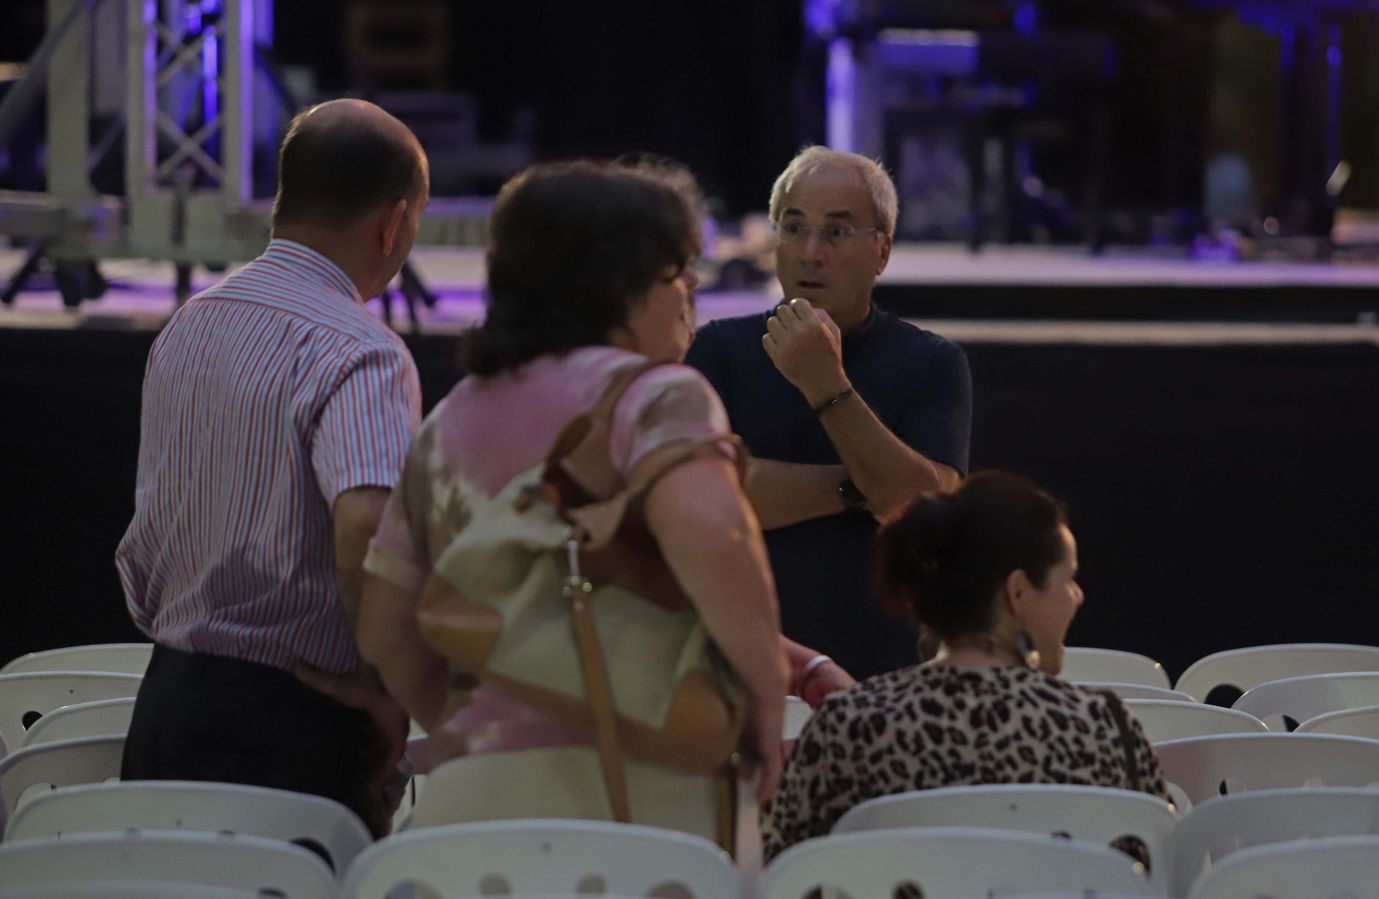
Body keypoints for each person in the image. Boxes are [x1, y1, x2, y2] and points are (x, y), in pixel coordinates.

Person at [359, 159, 828, 840]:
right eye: (677, 268)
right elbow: (709, 533)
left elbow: (384, 628)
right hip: (639, 815)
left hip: (470, 823)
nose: (692, 286)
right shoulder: (661, 396)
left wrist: (489, 727)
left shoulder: (451, 419)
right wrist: (762, 694)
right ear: (618, 283)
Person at [115, 99, 429, 836]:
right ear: (392, 223)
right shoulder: (362, 348)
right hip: (293, 728)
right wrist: (385, 684)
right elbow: (367, 521)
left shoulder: (189, 321)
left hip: (162, 709)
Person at [763, 472, 1169, 859]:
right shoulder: (1106, 729)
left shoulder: (847, 725)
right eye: (1069, 579)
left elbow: (786, 874)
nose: (1076, 597)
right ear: (1018, 592)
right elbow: (1159, 870)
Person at [685, 147, 973, 679]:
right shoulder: (717, 349)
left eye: (836, 233)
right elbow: (711, 498)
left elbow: (929, 514)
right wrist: (859, 487)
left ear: (881, 252)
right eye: (792, 228)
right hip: (738, 665)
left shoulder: (932, 361)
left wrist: (827, 386)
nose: (809, 251)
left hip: (881, 672)